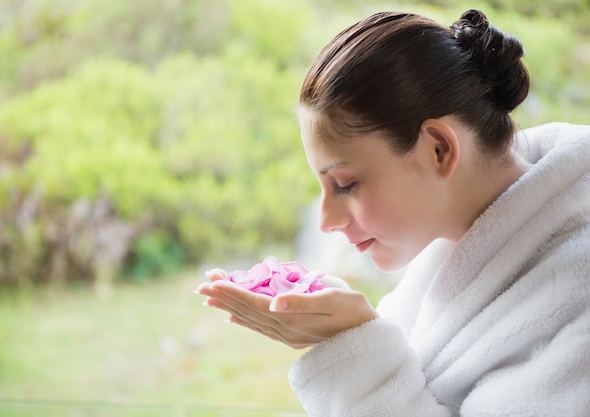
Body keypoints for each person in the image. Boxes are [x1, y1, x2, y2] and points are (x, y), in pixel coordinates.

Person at [197, 9, 590, 416]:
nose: (326, 221)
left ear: (439, 149)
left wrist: (356, 351)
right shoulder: (456, 246)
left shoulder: (579, 290)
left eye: (346, 184)